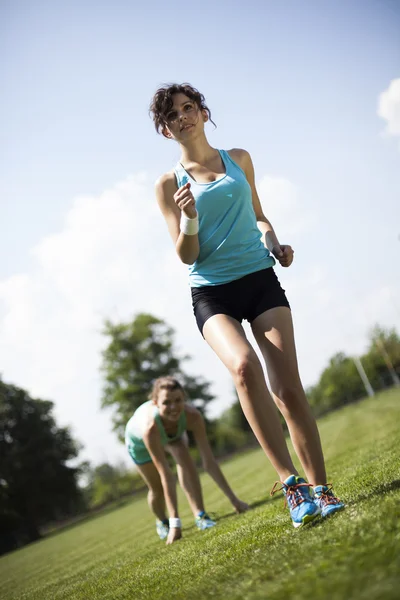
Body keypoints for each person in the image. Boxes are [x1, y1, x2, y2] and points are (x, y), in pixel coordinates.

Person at [150, 83, 345, 528]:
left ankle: (322, 487)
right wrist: (190, 217)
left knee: (288, 389)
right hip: (212, 291)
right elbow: (186, 255)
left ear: (202, 111)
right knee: (242, 368)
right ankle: (292, 485)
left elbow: (259, 213)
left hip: (259, 278)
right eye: (173, 115)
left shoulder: (239, 159)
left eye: (189, 108)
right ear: (165, 131)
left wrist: (274, 241)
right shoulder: (167, 185)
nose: (184, 117)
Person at [125, 376, 249, 545]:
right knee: (157, 488)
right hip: (140, 445)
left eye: (178, 400)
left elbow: (209, 462)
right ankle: (163, 521)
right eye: (167, 402)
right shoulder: (149, 429)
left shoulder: (192, 416)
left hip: (172, 434)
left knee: (184, 454)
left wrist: (236, 501)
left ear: (184, 398)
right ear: (155, 403)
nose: (174, 407)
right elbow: (167, 475)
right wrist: (176, 524)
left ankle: (200, 515)